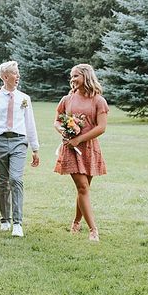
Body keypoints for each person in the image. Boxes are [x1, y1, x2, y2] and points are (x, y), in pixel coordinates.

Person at [0, 60, 39, 238]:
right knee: (3, 181)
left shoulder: (24, 99)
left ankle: (17, 223)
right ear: (6, 77)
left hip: (19, 142)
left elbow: (30, 124)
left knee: (16, 179)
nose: (18, 76)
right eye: (15, 73)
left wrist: (35, 148)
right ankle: (5, 219)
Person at [53, 64, 108, 241]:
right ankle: (93, 230)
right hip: (70, 148)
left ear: (86, 76)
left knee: (84, 189)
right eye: (72, 76)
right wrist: (65, 132)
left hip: (89, 148)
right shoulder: (67, 99)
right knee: (82, 187)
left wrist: (80, 139)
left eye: (76, 75)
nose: (73, 79)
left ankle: (76, 221)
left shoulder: (98, 101)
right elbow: (56, 121)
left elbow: (101, 127)